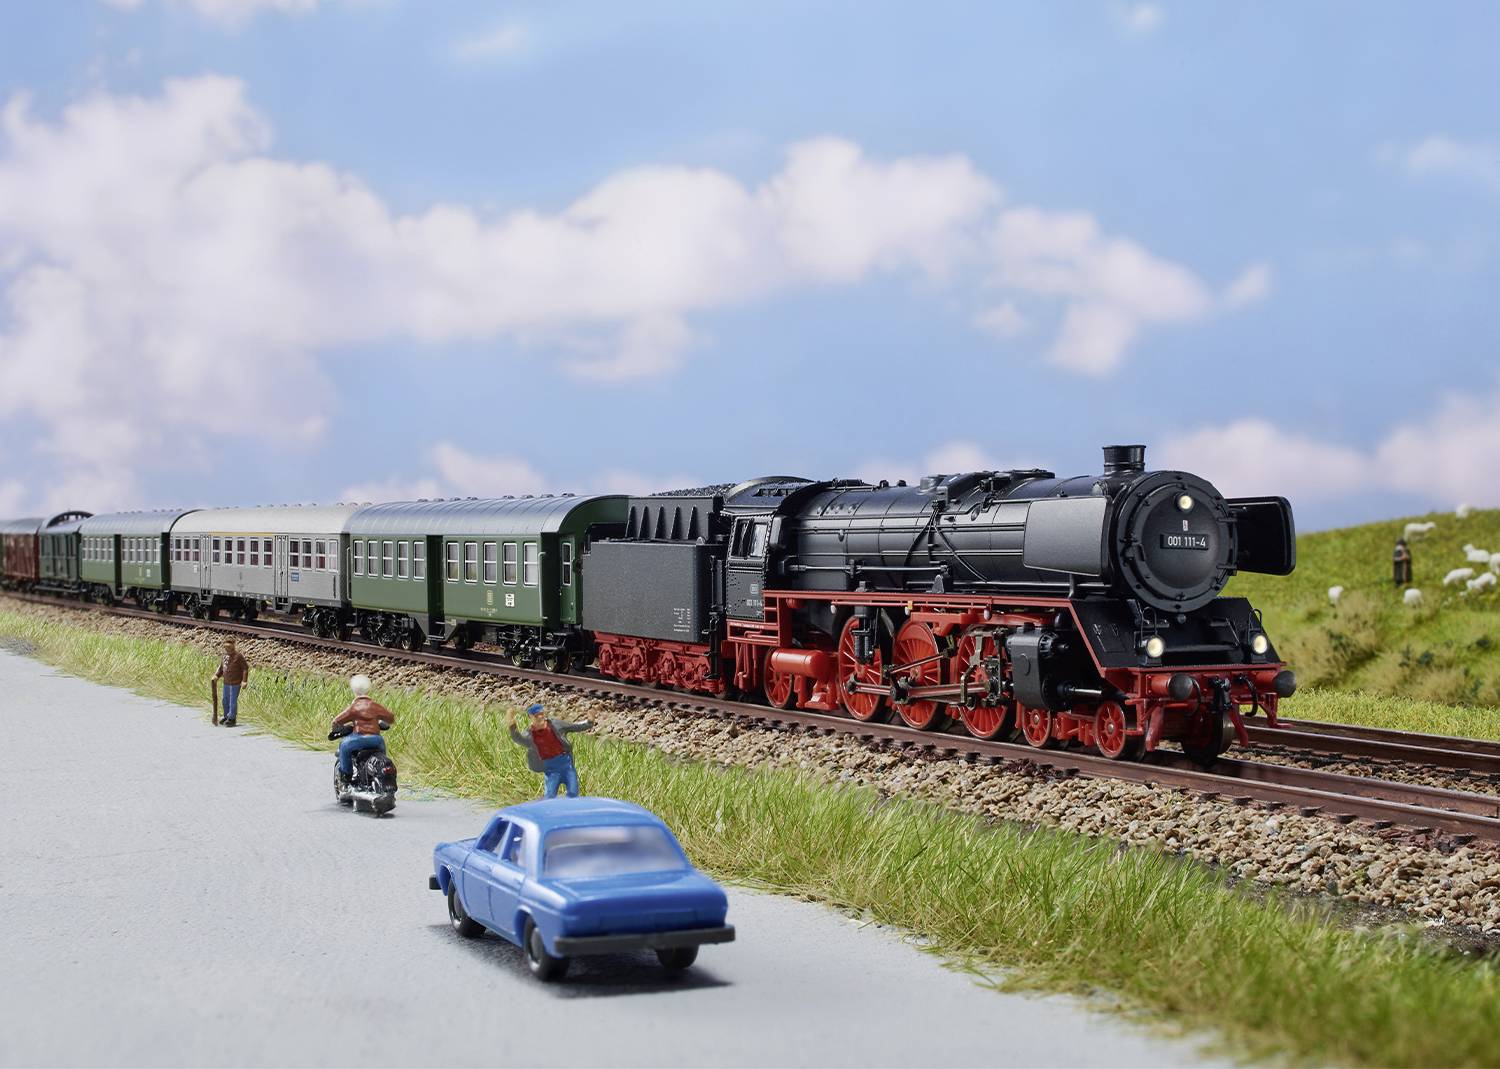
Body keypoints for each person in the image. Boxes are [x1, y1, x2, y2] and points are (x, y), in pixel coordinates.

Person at [510, 703, 594, 798]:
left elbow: (574, 727)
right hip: (551, 768)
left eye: (541, 714)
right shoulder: (530, 735)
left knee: (573, 792)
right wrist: (512, 725)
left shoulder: (556, 724)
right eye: (536, 715)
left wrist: (589, 722)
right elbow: (519, 739)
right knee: (550, 795)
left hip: (566, 764)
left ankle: (569, 810)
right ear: (531, 717)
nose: (540, 717)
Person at [332, 674, 394, 785]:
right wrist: (380, 722)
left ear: (354, 691)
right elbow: (390, 717)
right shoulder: (375, 706)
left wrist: (338, 728)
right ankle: (382, 771)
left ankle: (346, 778)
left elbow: (337, 721)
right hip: (376, 740)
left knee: (344, 746)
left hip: (360, 738)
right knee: (383, 756)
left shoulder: (354, 707)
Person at [212, 638, 249, 726]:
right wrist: (217, 675)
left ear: (234, 645)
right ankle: (226, 715)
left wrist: (244, 681)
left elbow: (245, 668)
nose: (228, 646)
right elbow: (221, 668)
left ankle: (232, 718)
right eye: (226, 643)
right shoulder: (224, 656)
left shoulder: (238, 656)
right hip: (226, 683)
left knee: (232, 701)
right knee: (225, 700)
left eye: (230, 643)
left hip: (235, 683)